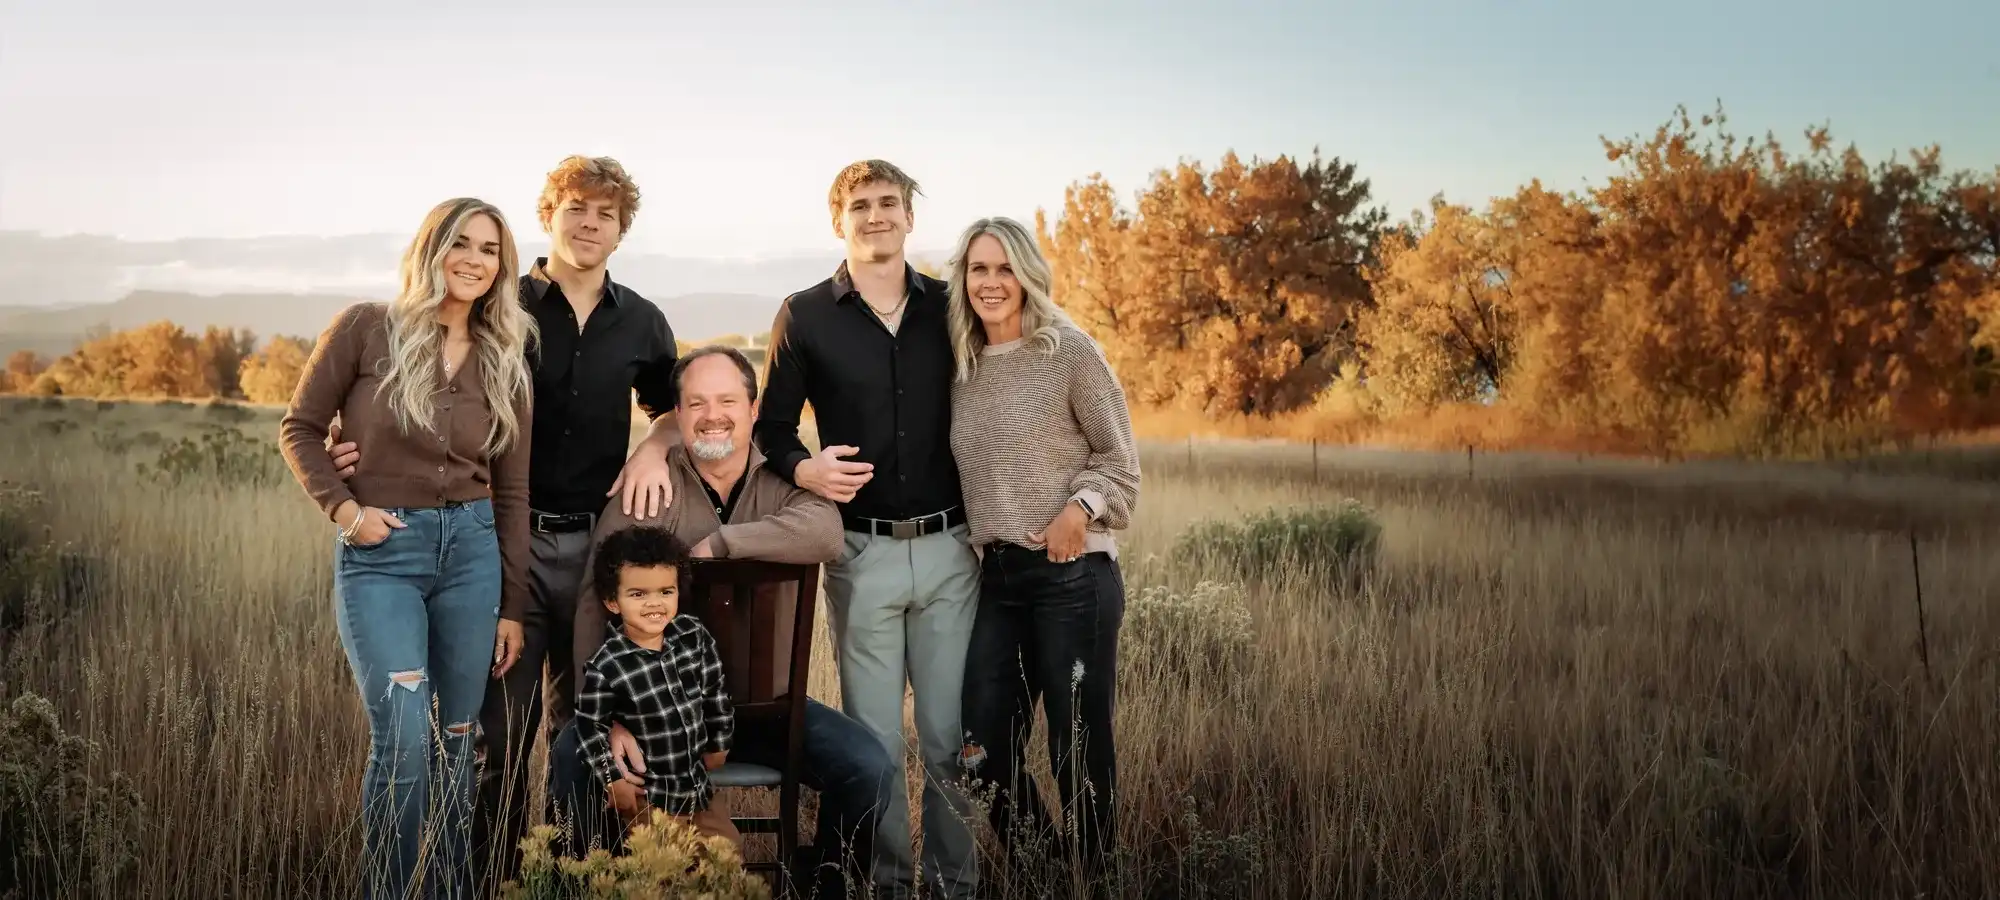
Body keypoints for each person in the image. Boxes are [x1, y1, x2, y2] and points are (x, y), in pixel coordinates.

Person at [324, 155, 684, 889]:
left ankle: (574, 879)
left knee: (585, 727)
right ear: (548, 212)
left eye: (607, 214)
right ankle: (489, 879)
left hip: (595, 549)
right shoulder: (500, 303)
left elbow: (674, 406)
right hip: (497, 545)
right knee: (496, 734)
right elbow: (423, 375)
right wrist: (349, 443)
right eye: (576, 208)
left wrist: (655, 443)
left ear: (622, 229)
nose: (590, 223)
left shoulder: (643, 321)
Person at [554, 344, 900, 898]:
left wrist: (719, 545)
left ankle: (820, 884)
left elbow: (826, 534)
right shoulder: (650, 487)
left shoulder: (783, 479)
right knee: (572, 757)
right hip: (653, 715)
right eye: (695, 403)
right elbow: (597, 602)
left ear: (753, 408)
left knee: (869, 770)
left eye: (726, 400)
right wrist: (607, 718)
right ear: (678, 415)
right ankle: (603, 883)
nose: (712, 414)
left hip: (768, 712)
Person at [277, 197, 538, 899]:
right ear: (432, 249)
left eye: (490, 250)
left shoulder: (506, 359)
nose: (475, 261)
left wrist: (512, 604)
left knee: (458, 741)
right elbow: (299, 427)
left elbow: (513, 494)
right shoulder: (366, 328)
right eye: (462, 243)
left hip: (473, 559)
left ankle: (448, 889)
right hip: (383, 554)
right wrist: (345, 509)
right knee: (402, 737)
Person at [754, 160, 982, 900]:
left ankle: (952, 886)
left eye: (890, 203)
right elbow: (772, 428)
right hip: (861, 553)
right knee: (876, 747)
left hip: (952, 550)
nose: (876, 215)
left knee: (950, 743)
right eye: (860, 205)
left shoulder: (952, 307)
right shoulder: (805, 313)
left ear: (911, 217)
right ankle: (885, 885)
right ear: (838, 221)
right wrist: (805, 470)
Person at [943, 216, 1140, 880]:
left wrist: (1078, 510)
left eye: (1004, 269)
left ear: (1029, 274)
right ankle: (1053, 874)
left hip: (1072, 576)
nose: (991, 283)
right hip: (996, 582)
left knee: (1077, 749)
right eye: (978, 269)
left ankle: (1097, 879)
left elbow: (1121, 462)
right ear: (962, 280)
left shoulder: (1070, 352)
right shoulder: (962, 367)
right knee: (978, 749)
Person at [570, 525, 743, 849]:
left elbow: (715, 692)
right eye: (638, 594)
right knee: (659, 877)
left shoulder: (692, 636)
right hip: (650, 802)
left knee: (727, 858)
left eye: (666, 592)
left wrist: (720, 743)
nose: (655, 604)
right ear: (612, 601)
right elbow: (590, 728)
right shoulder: (608, 665)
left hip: (698, 791)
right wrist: (613, 779)